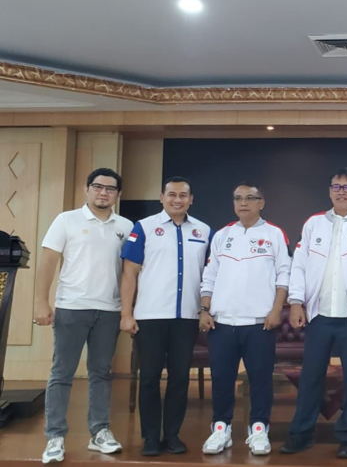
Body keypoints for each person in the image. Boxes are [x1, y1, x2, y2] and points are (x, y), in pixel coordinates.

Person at [279, 167, 347, 460]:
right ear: (329, 191)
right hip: (319, 315)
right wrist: (296, 301)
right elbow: (299, 265)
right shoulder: (313, 224)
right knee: (311, 377)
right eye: (336, 187)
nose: (341, 191)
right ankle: (301, 434)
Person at [34, 168, 133, 464]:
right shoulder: (66, 220)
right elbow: (48, 262)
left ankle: (99, 431)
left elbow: (130, 272)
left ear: (117, 194)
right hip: (71, 307)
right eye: (98, 187)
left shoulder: (126, 226)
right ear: (87, 189)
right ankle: (54, 436)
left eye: (110, 189)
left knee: (101, 373)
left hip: (110, 310)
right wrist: (41, 302)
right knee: (62, 373)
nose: (103, 193)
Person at [120, 176, 212, 457]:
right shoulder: (144, 227)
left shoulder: (204, 231)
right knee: (149, 377)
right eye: (171, 194)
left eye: (183, 195)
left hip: (187, 317)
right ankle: (150, 437)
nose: (177, 199)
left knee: (179, 378)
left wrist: (205, 310)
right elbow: (129, 273)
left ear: (191, 199)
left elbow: (210, 275)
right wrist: (126, 313)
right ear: (162, 197)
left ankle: (172, 434)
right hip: (150, 316)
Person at [199, 182, 291, 456]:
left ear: (261, 203)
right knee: (221, 379)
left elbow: (284, 275)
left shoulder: (274, 234)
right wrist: (204, 310)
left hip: (259, 322)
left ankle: (259, 429)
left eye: (250, 198)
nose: (243, 203)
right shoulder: (222, 235)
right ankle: (221, 429)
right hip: (222, 322)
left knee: (260, 379)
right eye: (238, 198)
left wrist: (276, 310)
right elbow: (209, 276)